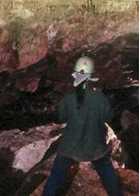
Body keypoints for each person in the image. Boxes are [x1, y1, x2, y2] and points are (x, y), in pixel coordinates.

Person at [42, 54, 124, 196]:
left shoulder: (67, 99)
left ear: (75, 75)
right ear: (91, 76)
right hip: (95, 147)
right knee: (108, 174)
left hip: (70, 148)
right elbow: (108, 116)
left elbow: (61, 118)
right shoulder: (100, 98)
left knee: (55, 178)